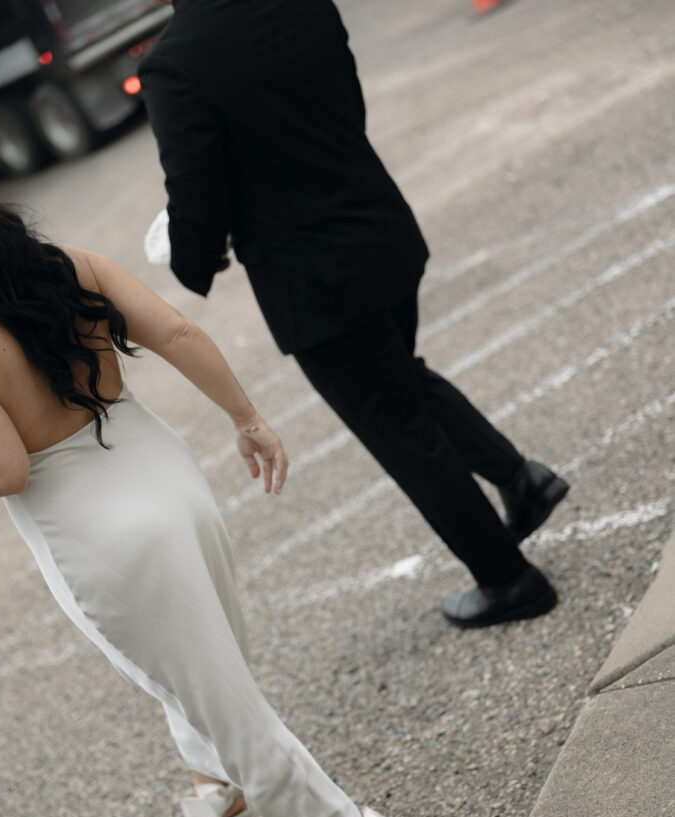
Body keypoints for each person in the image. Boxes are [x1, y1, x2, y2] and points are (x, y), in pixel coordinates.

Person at [0, 204, 420, 817]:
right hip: (168, 478)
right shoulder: (66, 264)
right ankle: (212, 789)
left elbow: (7, 471)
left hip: (95, 532)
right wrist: (246, 417)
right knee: (202, 664)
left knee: (216, 691)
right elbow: (175, 329)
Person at [139, 0, 569, 630]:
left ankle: (508, 579)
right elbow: (345, 101)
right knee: (403, 379)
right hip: (379, 228)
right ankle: (519, 478)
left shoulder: (174, 62)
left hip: (316, 281)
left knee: (399, 427)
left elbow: (196, 195)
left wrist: (198, 254)